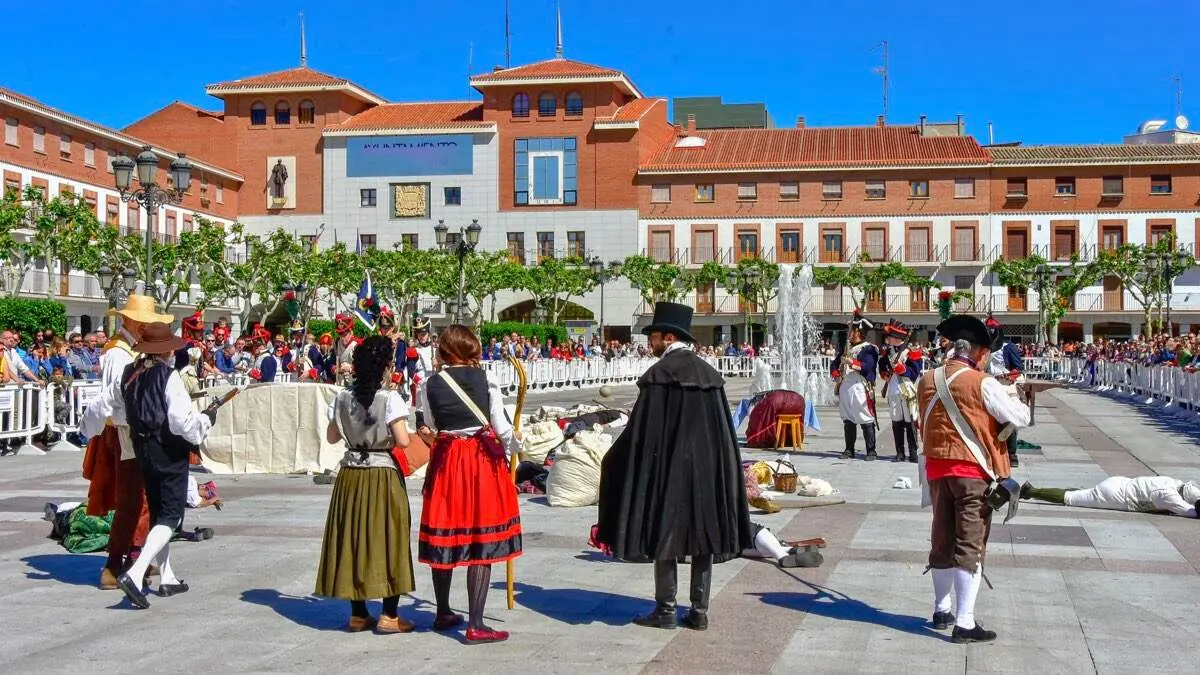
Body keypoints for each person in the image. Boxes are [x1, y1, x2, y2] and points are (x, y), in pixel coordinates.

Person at [596, 302, 753, 631]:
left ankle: (666, 610)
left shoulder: (659, 376)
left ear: (668, 337)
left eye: (653, 336)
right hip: (708, 473)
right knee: (704, 538)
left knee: (664, 532)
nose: (649, 342)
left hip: (668, 472)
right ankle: (699, 612)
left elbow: (641, 433)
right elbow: (722, 435)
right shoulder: (709, 376)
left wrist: (613, 459)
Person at [917, 315, 1030, 644]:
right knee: (970, 544)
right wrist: (1014, 395)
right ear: (979, 352)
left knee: (942, 538)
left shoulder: (927, 378)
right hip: (973, 472)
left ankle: (941, 608)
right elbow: (1019, 417)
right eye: (985, 353)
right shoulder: (982, 382)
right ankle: (964, 623)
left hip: (936, 470)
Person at [415, 325, 522, 644]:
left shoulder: (428, 384)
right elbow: (502, 428)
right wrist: (516, 446)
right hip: (479, 462)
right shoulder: (486, 379)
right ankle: (476, 623)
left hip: (447, 459)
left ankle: (443, 611)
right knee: (481, 536)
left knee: (444, 532)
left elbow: (431, 425)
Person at [316, 336, 417, 633]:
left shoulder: (342, 397)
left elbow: (333, 438)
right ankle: (389, 615)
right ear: (386, 365)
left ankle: (358, 613)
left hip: (351, 475)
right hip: (381, 473)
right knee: (389, 538)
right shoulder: (389, 398)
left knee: (353, 538)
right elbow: (403, 440)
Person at [115, 322, 220, 609]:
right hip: (167, 450)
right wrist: (206, 421)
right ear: (166, 351)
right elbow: (180, 422)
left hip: (143, 448)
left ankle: (168, 576)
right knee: (171, 516)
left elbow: (123, 411)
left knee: (160, 511)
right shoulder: (168, 375)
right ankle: (136, 574)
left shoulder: (130, 374)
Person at [79, 295, 166, 589]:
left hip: (138, 428)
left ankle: (134, 554)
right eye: (141, 321)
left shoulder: (132, 348)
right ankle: (113, 564)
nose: (145, 326)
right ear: (128, 320)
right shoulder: (119, 352)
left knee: (142, 497)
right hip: (126, 431)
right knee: (130, 499)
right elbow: (117, 396)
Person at [1020, 476, 1200, 517]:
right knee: (1070, 498)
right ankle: (1030, 491)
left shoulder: (1173, 482)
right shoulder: (1170, 497)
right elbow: (1190, 512)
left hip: (1119, 483)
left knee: (1079, 494)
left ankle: (1033, 491)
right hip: (1116, 496)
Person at [831, 310, 879, 460]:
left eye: (853, 331)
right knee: (848, 418)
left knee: (865, 417)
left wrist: (852, 362)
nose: (850, 334)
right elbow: (834, 364)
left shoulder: (869, 348)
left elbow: (868, 366)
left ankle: (871, 450)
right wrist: (836, 374)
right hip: (845, 385)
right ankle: (849, 449)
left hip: (860, 385)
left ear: (859, 333)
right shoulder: (846, 348)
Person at [985, 314, 1026, 467]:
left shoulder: (1008, 347)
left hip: (1006, 385)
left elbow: (1018, 367)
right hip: (988, 383)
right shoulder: (984, 348)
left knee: (1010, 418)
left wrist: (1009, 377)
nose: (990, 332)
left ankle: (1012, 453)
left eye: (992, 330)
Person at [879, 319, 923, 463]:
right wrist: (885, 373)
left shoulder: (911, 352)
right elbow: (882, 367)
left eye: (890, 336)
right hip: (892, 389)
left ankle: (913, 452)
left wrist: (901, 369)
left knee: (910, 421)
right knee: (896, 421)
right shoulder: (887, 352)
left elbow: (915, 372)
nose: (887, 338)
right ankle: (899, 452)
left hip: (906, 389)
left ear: (897, 338)